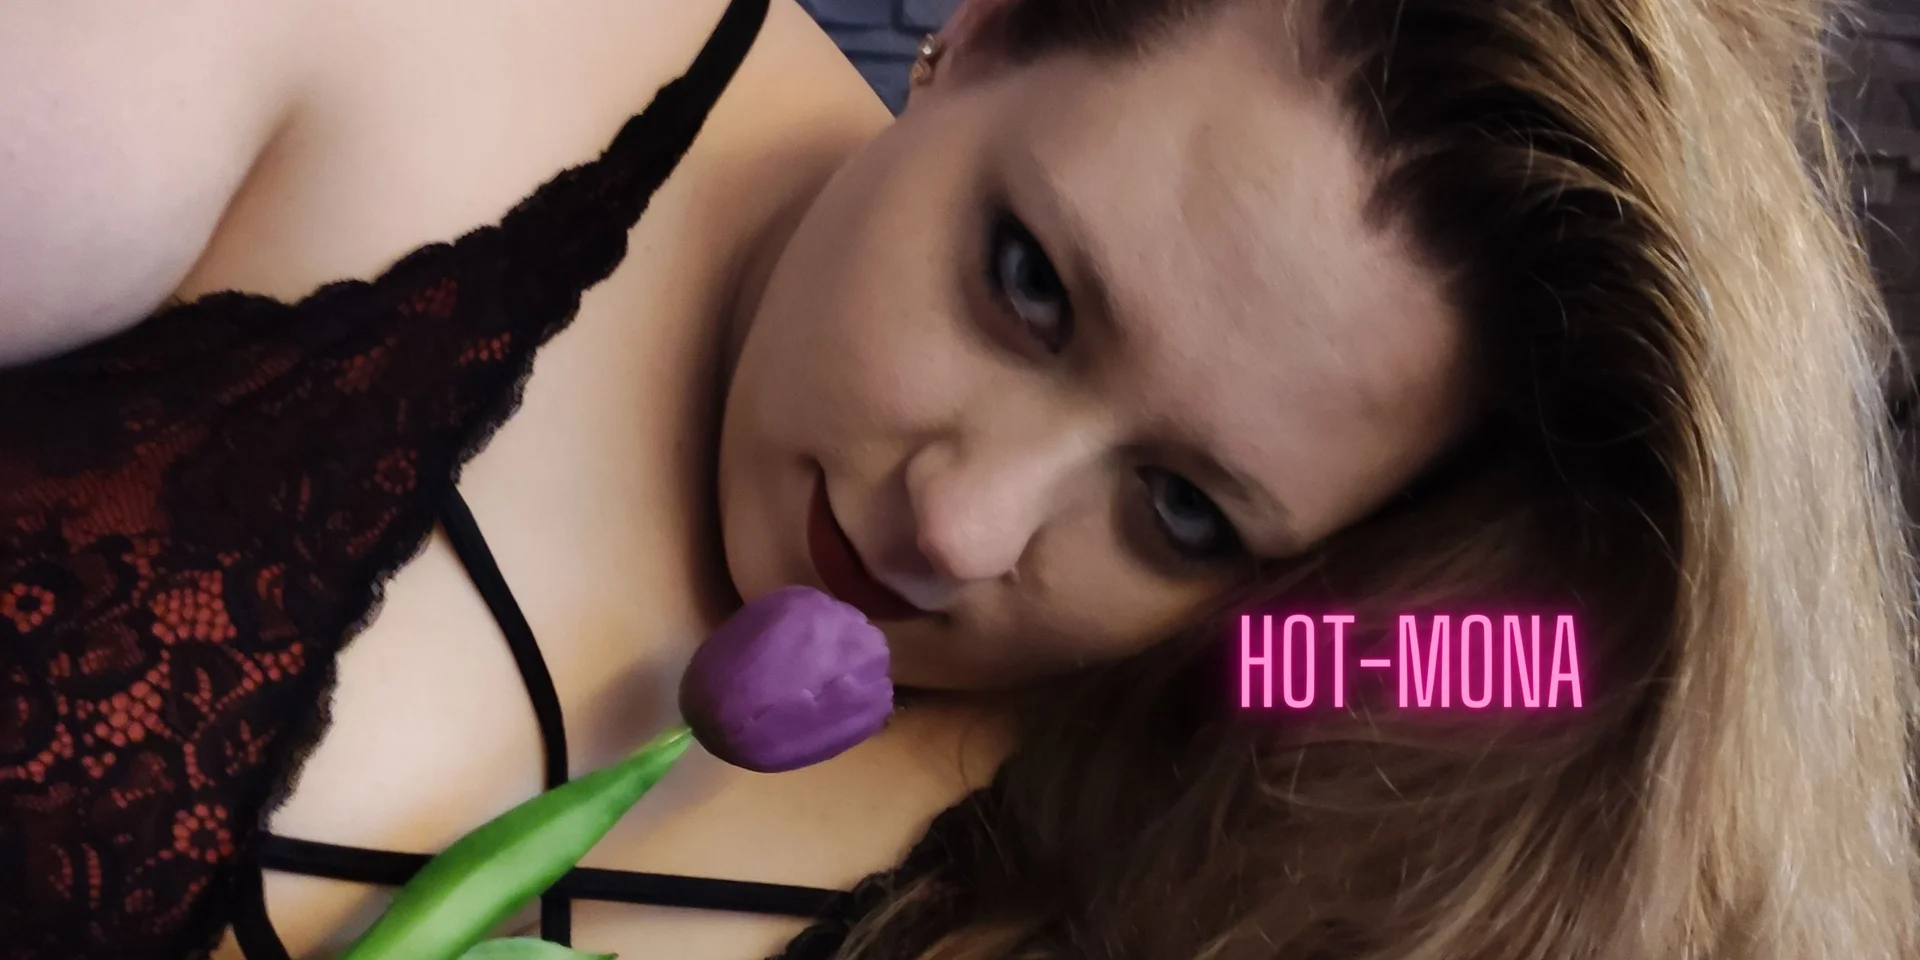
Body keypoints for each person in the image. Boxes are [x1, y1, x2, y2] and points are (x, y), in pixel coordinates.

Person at [1, 0, 1914, 957]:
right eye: (1027, 286)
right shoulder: (441, 50)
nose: (956, 525)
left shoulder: (1215, 719)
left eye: (1181, 508)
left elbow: (1586, 695)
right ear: (979, 33)